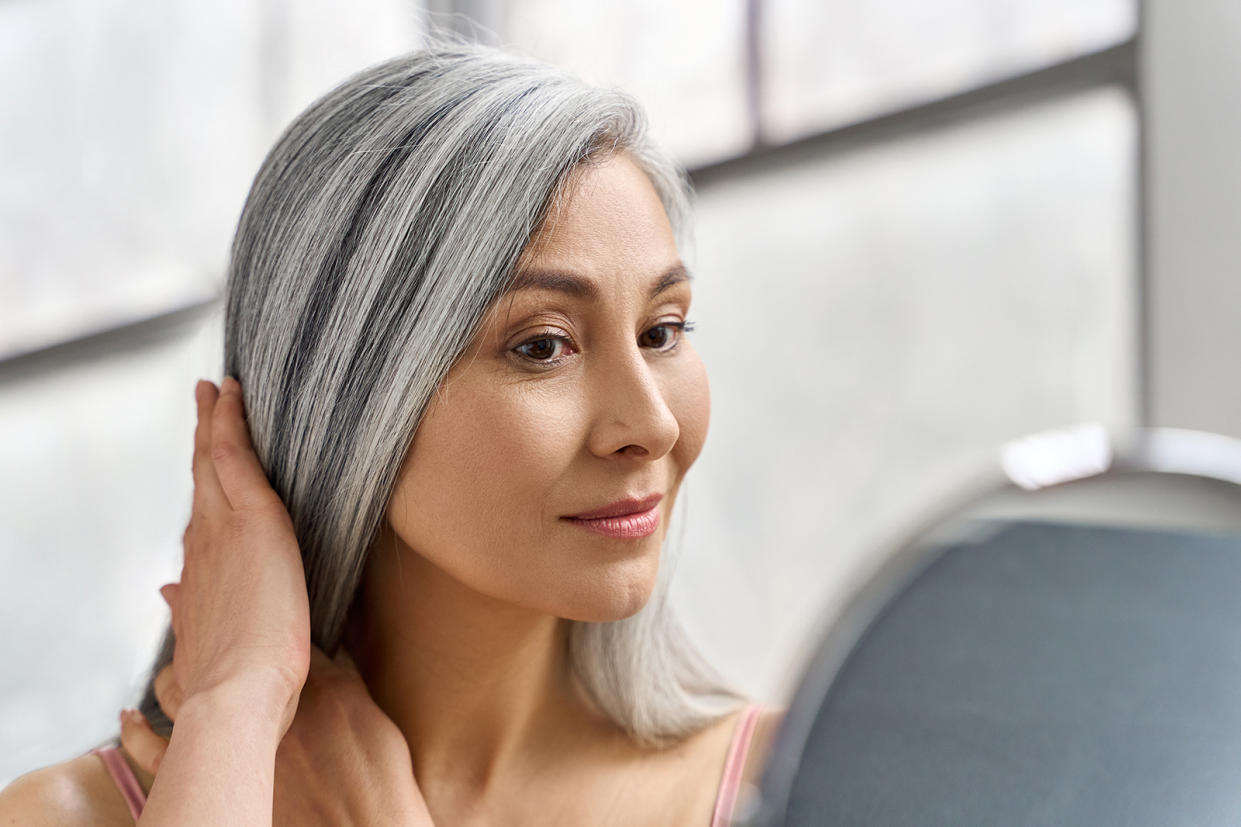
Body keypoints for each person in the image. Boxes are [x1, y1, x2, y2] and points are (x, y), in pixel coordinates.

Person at [0, 40, 781, 825]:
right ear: (348, 394)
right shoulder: (68, 816)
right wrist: (237, 700)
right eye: (541, 345)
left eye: (662, 330)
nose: (651, 423)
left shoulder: (795, 787)